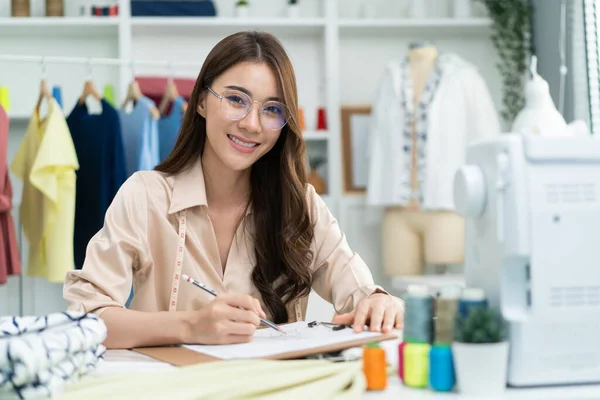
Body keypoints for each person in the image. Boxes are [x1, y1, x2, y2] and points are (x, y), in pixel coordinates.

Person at [63, 31, 405, 349]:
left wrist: (379, 301)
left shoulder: (300, 206)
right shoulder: (145, 196)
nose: (252, 124)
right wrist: (191, 326)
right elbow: (86, 318)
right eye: (236, 100)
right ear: (200, 102)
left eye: (272, 110)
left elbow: (362, 294)